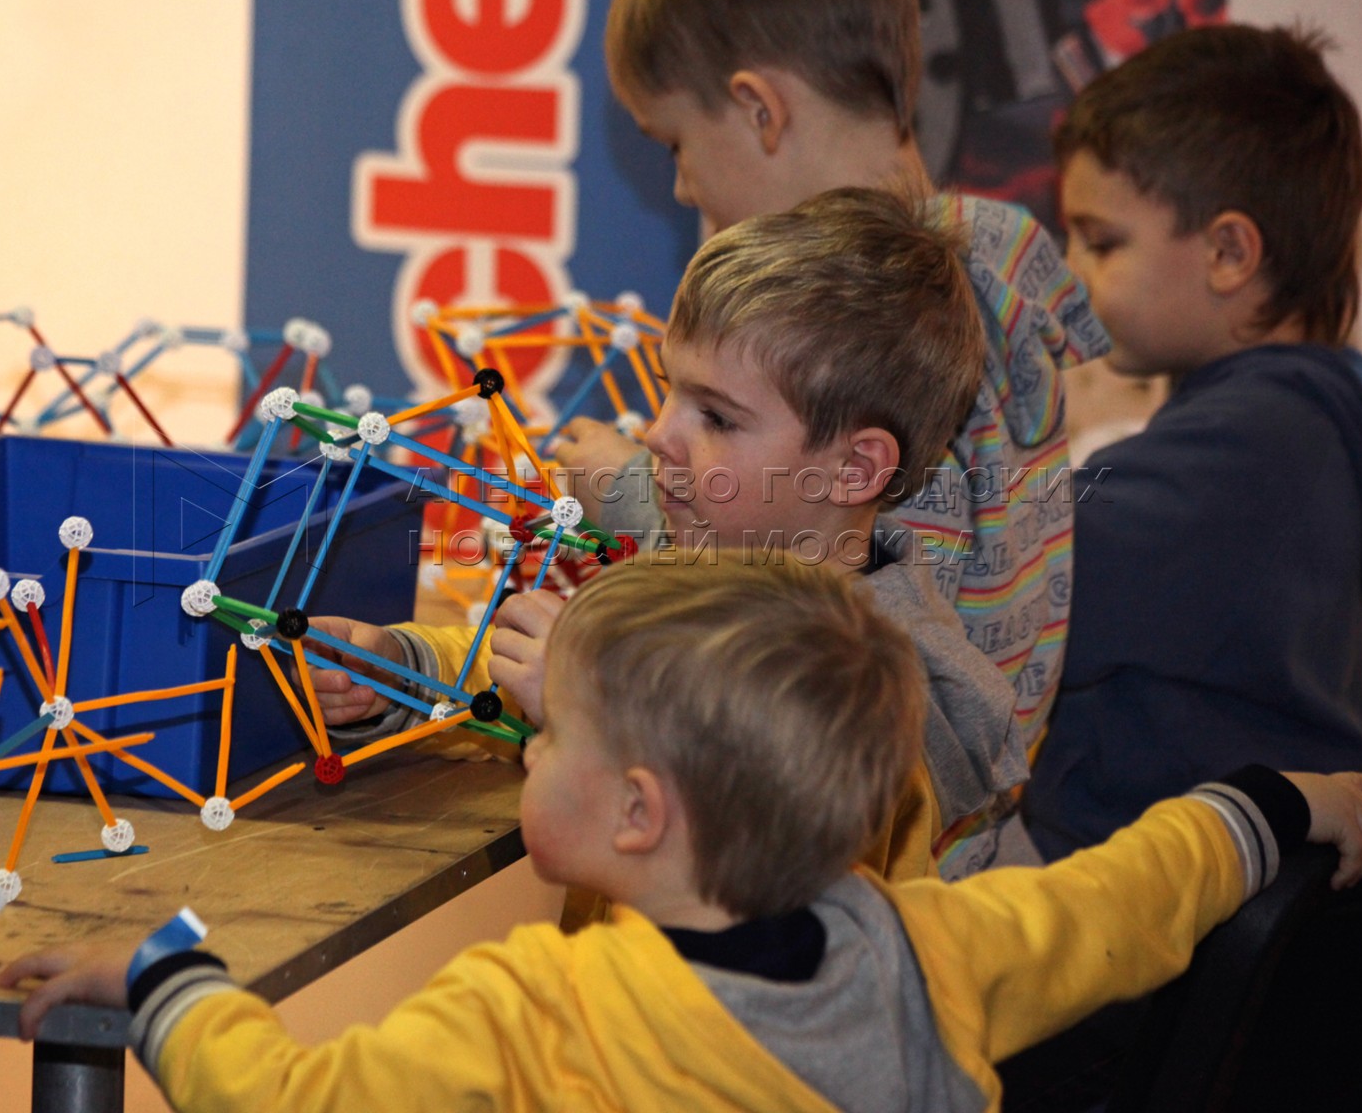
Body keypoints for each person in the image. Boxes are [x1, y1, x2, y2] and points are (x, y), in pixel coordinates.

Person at [0, 556, 1362, 1113]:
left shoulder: (537, 1008)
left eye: (553, 734)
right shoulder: (927, 946)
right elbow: (1124, 899)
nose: (527, 746)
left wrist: (167, 977)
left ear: (635, 812)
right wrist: (1274, 804)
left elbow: (293, 1105)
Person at [552, 0, 1109, 873]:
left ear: (759, 110)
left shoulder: (884, 319)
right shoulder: (988, 255)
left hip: (895, 863)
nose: (680, 187)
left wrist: (632, 493)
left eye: (674, 143)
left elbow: (836, 609)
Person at [314, 187, 1019, 884]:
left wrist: (594, 705)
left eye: (716, 417)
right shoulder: (694, 569)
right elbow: (524, 667)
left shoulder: (886, 698)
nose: (656, 434)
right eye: (667, 390)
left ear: (853, 468)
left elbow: (771, 861)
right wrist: (401, 671)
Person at [1022, 24, 1362, 862]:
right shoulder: (1300, 425)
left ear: (1228, 252)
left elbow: (1029, 580)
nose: (1069, 272)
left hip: (1177, 910)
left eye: (1100, 242)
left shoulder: (1252, 442)